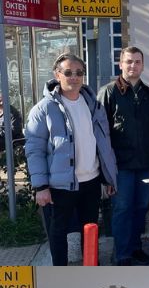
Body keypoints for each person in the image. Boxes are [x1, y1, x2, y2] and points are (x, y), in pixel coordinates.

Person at [25, 54, 118, 266]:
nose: (74, 77)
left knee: (91, 229)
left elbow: (104, 143)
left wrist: (109, 178)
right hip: (59, 186)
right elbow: (34, 150)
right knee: (58, 233)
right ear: (57, 75)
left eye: (78, 73)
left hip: (91, 181)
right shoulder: (43, 109)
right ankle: (62, 275)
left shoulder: (93, 104)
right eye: (68, 72)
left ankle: (90, 270)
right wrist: (40, 187)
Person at [98, 46, 149, 266]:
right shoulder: (108, 92)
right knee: (122, 209)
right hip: (119, 165)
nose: (133, 66)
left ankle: (135, 248)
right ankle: (121, 254)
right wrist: (105, 168)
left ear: (142, 65)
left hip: (144, 162)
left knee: (141, 207)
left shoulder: (148, 94)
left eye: (137, 62)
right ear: (120, 64)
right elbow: (100, 132)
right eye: (129, 61)